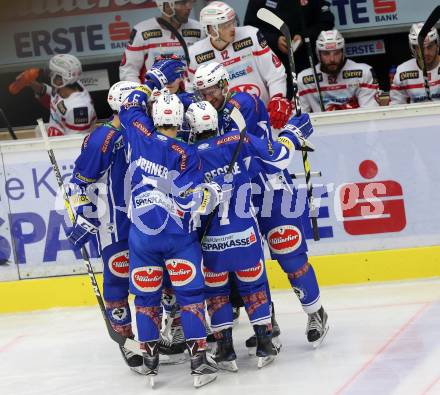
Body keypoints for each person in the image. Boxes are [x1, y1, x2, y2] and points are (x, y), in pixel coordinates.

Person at [194, 61, 329, 349]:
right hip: (236, 197)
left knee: (289, 253)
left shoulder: (244, 102)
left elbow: (240, 125)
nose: (209, 98)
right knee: (248, 262)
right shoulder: (203, 115)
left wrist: (290, 134)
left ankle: (316, 313)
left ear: (224, 85)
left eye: (213, 91)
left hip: (269, 188)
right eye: (202, 93)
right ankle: (267, 320)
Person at [186, 100, 304, 370]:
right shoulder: (240, 140)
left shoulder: (188, 155)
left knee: (217, 294)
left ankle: (226, 351)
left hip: (213, 242)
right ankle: (265, 345)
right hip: (246, 234)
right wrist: (291, 135)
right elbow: (278, 160)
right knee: (254, 288)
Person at [119, 89, 223, 388]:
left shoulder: (139, 132)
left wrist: (146, 90)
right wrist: (214, 194)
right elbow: (195, 200)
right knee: (190, 297)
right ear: (180, 119)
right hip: (178, 237)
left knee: (145, 299)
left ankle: (150, 362)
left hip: (142, 237)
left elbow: (129, 105)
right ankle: (199, 363)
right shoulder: (187, 154)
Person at [66, 81, 144, 372]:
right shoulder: (103, 138)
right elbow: (80, 181)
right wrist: (84, 214)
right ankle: (126, 337)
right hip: (115, 223)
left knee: (157, 277)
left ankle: (161, 331)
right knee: (117, 280)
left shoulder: (141, 130)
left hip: (146, 220)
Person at [188, 1, 293, 129]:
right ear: (210, 29)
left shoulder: (251, 35)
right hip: (224, 126)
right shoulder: (195, 54)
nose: (232, 28)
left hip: (264, 117)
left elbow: (275, 73)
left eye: (232, 22)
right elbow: (194, 92)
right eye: (226, 25)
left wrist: (278, 97)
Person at [244, 0, 334, 89]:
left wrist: (303, 36)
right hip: (273, 63)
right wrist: (274, 40)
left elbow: (326, 21)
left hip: (307, 61)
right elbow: (249, 29)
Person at [9, 54, 96, 136]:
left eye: (52, 73)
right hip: (58, 129)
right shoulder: (65, 87)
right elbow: (54, 101)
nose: (49, 75)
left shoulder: (79, 109)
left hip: (68, 145)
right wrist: (31, 82)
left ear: (61, 80)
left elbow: (77, 145)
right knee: (39, 129)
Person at [119, 0, 205, 83]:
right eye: (182, 2)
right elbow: (128, 72)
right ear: (165, 5)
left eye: (190, 1)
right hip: (154, 94)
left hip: (189, 94)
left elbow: (205, 66)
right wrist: (141, 93)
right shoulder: (142, 31)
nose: (189, 7)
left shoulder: (199, 29)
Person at [297, 29, 379, 112]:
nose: (332, 59)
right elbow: (298, 117)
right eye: (326, 54)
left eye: (336, 53)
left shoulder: (364, 72)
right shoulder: (304, 79)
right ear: (318, 54)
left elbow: (370, 112)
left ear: (343, 52)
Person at [390, 23, 440, 104]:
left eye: (430, 47)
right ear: (413, 49)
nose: (426, 53)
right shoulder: (402, 71)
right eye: (420, 48)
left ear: (437, 44)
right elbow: (396, 106)